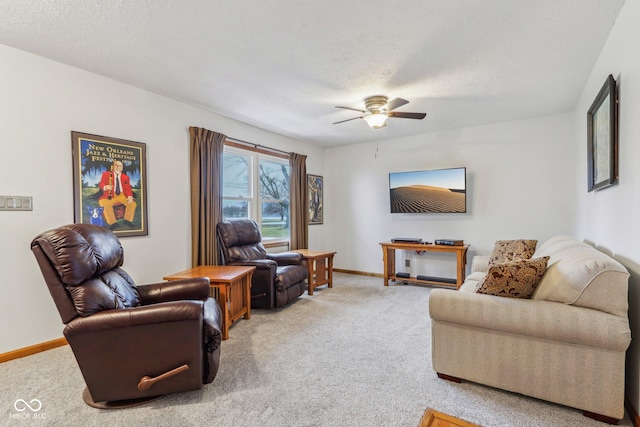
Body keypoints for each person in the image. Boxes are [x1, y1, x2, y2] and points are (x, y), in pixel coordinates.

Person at [98, 161, 137, 229]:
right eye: (116, 165)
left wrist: (130, 196)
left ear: (122, 168)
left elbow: (128, 188)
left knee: (132, 204)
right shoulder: (106, 174)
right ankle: (113, 223)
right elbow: (101, 184)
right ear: (113, 166)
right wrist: (106, 187)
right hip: (110, 194)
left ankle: (127, 220)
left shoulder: (126, 177)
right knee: (105, 204)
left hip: (122, 195)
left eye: (120, 166)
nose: (118, 167)